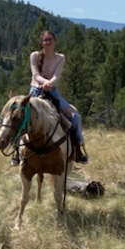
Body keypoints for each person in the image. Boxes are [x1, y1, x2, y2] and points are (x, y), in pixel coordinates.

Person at [29, 30, 88, 164]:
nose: (48, 42)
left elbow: (57, 75)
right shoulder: (35, 55)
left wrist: (50, 83)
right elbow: (35, 74)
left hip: (52, 91)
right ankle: (16, 151)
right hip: (35, 90)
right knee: (21, 116)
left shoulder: (60, 58)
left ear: (55, 41)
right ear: (41, 42)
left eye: (50, 39)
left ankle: (78, 148)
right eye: (45, 40)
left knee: (75, 117)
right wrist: (44, 82)